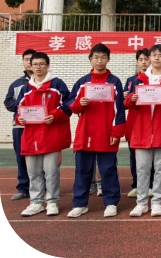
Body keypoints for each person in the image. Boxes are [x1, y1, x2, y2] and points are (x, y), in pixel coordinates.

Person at [66, 44, 126, 218]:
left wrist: (116, 132)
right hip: (85, 132)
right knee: (82, 170)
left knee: (108, 169)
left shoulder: (114, 82)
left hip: (106, 132)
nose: (99, 61)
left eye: (103, 57)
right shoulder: (82, 82)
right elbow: (71, 104)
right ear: (90, 59)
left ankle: (111, 202)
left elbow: (119, 109)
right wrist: (79, 104)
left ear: (108, 59)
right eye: (96, 57)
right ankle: (80, 204)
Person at [125, 44, 161, 217]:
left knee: (160, 169)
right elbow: (126, 103)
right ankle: (141, 203)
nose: (157, 58)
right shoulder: (138, 79)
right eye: (154, 55)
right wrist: (132, 99)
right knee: (142, 169)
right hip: (141, 131)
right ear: (149, 58)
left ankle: (157, 202)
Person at [16, 52, 71, 217]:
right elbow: (18, 110)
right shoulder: (25, 88)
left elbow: (69, 105)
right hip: (31, 136)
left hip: (51, 135)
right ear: (30, 66)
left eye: (41, 64)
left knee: (51, 171)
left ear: (48, 65)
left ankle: (52, 202)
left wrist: (55, 115)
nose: (38, 67)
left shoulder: (57, 84)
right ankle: (36, 203)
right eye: (35, 64)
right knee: (33, 172)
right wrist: (19, 119)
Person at [4, 48, 36, 200]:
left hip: (41, 125)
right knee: (21, 156)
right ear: (23, 62)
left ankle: (42, 187)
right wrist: (23, 104)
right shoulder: (16, 84)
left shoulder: (50, 82)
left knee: (41, 157)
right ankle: (23, 188)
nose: (29, 62)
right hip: (20, 126)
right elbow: (8, 103)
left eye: (32, 59)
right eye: (26, 59)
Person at [123, 48, 154, 199]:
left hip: (150, 121)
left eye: (146, 59)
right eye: (141, 60)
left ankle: (151, 185)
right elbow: (125, 104)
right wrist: (127, 98)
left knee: (151, 156)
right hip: (134, 122)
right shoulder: (130, 81)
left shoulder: (156, 80)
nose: (144, 62)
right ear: (137, 62)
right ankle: (136, 185)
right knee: (134, 156)